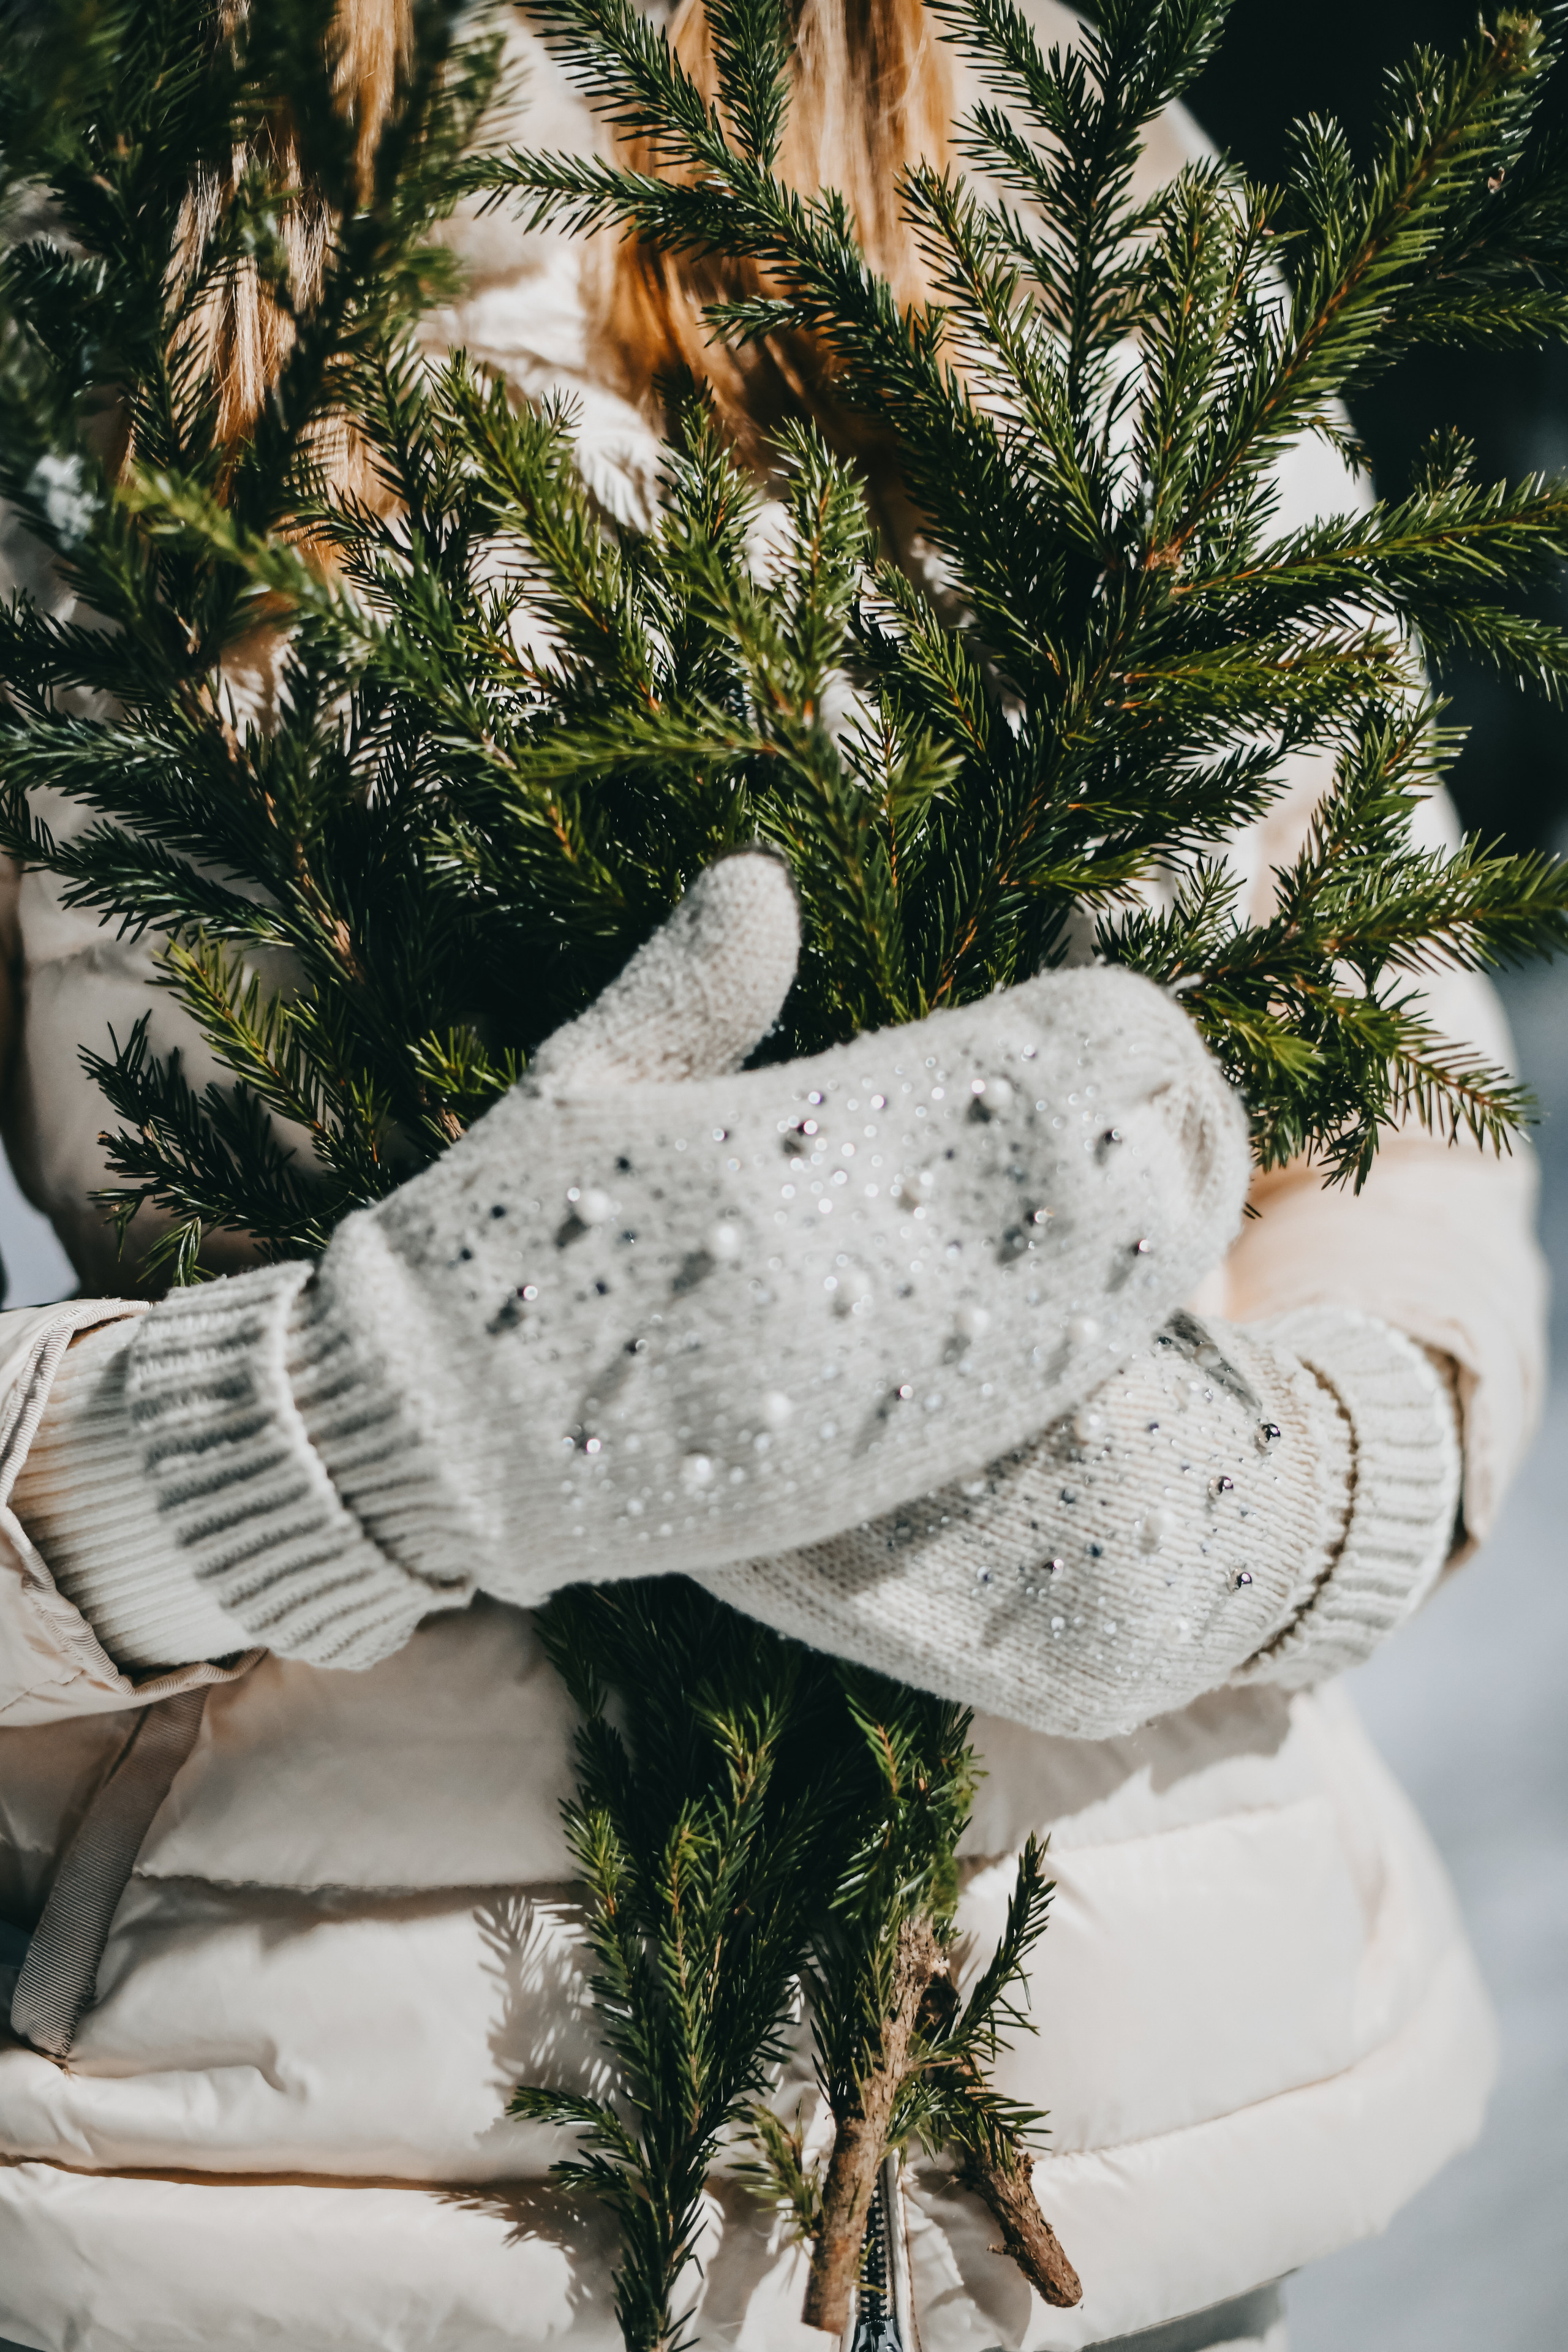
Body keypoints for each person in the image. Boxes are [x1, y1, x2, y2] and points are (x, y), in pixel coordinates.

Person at [0, 6, 1546, 2350]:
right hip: (321, 2212)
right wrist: (338, 1431)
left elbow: (1401, 1109)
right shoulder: (82, 245)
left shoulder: (1076, 165)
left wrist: (1273, 1508)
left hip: (1120, 2156)